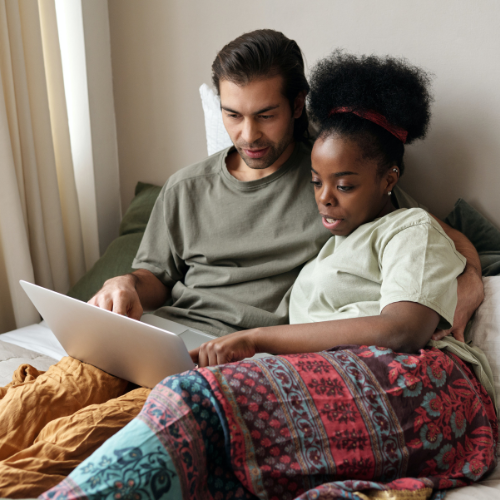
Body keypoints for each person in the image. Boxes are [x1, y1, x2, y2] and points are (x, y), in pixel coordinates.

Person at [0, 31, 484, 497]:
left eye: (265, 115)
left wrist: (470, 280)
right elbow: (155, 278)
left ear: (297, 107)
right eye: (232, 115)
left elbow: (431, 232)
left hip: (221, 362)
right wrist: (126, 283)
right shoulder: (188, 187)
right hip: (153, 336)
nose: (247, 134)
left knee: (75, 438)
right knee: (34, 403)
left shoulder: (337, 173)